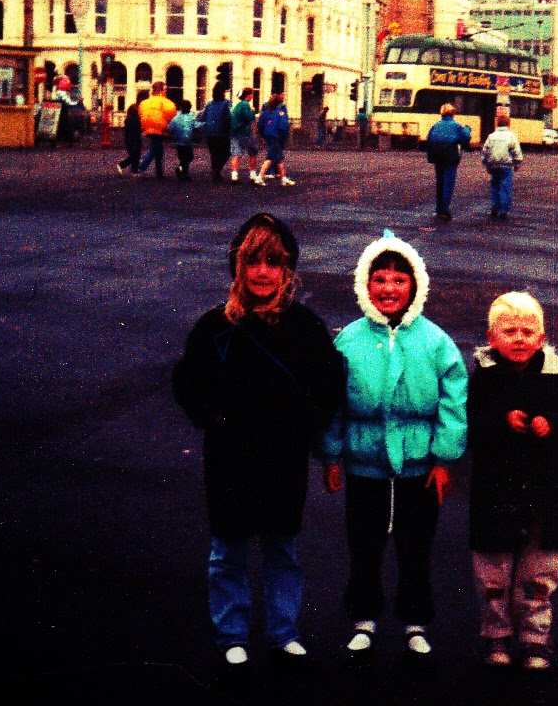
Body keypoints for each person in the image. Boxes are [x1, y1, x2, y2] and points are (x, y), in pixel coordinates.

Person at [172, 214, 345, 693]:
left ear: (288, 270)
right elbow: (187, 381)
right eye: (253, 261)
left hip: (283, 458)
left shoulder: (304, 326)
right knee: (228, 548)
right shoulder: (216, 327)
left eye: (274, 261)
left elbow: (331, 380)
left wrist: (304, 422)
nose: (263, 272)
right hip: (230, 458)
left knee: (281, 547)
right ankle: (232, 634)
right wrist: (214, 416)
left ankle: (283, 633)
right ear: (238, 266)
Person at [322, 231, 468, 663]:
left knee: (416, 548)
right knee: (364, 546)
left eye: (399, 279)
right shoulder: (348, 340)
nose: (389, 288)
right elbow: (332, 403)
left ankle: (415, 623)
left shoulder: (435, 341)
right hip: (364, 464)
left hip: (418, 469)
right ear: (364, 285)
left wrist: (443, 458)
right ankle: (363, 619)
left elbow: (453, 401)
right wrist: (331, 454)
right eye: (380, 279)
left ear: (416, 285)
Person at [467, 292, 558, 673]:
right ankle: (496, 635)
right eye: (510, 331)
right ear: (492, 338)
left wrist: (554, 425)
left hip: (543, 494)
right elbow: (469, 425)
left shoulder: (555, 379)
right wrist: (501, 422)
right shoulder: (483, 379)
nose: (519, 338)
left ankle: (536, 638)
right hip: (495, 493)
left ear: (541, 337)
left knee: (539, 571)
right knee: (494, 571)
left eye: (527, 331)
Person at [425, 103, 472, 221]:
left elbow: (429, 139)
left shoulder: (435, 126)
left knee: (440, 182)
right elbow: (465, 138)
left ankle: (438, 208)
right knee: (448, 183)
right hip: (450, 157)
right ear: (453, 113)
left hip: (437, 157)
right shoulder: (456, 126)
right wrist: (467, 128)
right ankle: (445, 209)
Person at [480, 112, 524, 220]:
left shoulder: (491, 136)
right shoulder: (511, 136)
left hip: (493, 165)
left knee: (495, 187)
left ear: (497, 123)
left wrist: (486, 164)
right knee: (505, 187)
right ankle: (503, 211)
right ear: (508, 124)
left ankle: (494, 208)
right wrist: (517, 163)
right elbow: (516, 151)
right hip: (506, 166)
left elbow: (485, 151)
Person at [137, 81, 177, 177]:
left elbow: (140, 113)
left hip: (147, 127)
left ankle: (159, 172)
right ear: (161, 90)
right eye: (165, 89)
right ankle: (141, 168)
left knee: (158, 149)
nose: (166, 91)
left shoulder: (144, 103)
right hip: (159, 127)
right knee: (155, 149)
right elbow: (172, 113)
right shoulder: (165, 102)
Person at [256, 94, 295, 187]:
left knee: (279, 158)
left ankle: (283, 178)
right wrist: (284, 138)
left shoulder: (266, 112)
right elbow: (283, 127)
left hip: (268, 135)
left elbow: (260, 124)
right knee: (270, 158)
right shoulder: (281, 113)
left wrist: (263, 134)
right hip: (277, 137)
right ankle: (260, 176)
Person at [197, 83, 232, 183]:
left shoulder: (209, 104)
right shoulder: (227, 103)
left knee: (214, 153)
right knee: (226, 152)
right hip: (222, 131)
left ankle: (215, 172)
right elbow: (230, 116)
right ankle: (217, 170)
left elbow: (202, 117)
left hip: (209, 131)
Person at [228, 87, 259, 183]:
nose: (252, 96)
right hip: (244, 132)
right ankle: (253, 175)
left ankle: (234, 176)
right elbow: (249, 117)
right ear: (248, 95)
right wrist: (253, 112)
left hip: (234, 132)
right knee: (253, 152)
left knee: (236, 153)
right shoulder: (245, 105)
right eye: (251, 94)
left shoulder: (237, 105)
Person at [116, 96, 145, 175]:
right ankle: (122, 165)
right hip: (135, 138)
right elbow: (138, 128)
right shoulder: (136, 119)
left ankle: (134, 171)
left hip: (129, 139)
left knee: (134, 155)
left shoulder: (128, 119)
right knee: (135, 155)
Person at [168, 99, 197, 179]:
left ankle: (183, 172)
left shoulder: (176, 118)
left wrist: (173, 135)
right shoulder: (192, 117)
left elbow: (171, 127)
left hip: (179, 141)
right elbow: (195, 126)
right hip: (188, 141)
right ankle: (182, 170)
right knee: (189, 157)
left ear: (180, 108)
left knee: (182, 158)